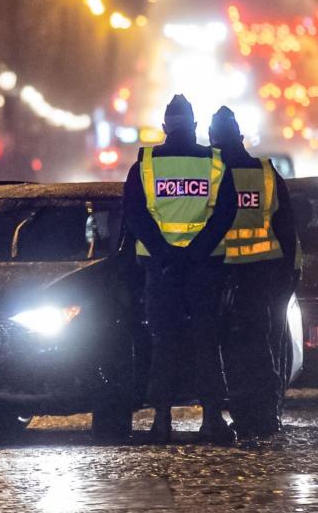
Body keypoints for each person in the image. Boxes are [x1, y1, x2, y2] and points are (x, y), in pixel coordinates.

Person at [123, 95, 238, 445]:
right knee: (207, 342)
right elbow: (225, 213)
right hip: (204, 270)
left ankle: (161, 420)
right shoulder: (216, 163)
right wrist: (197, 251)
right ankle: (212, 419)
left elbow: (135, 216)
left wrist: (165, 254)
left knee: (164, 344)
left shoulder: (143, 164)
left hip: (161, 272)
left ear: (164, 128)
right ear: (195, 126)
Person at [208, 106, 299, 441]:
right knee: (263, 349)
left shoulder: (213, 175)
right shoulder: (266, 172)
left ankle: (244, 417)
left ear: (213, 140)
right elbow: (286, 230)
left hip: (221, 275)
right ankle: (267, 416)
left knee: (228, 352)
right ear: (241, 137)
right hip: (263, 276)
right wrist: (287, 276)